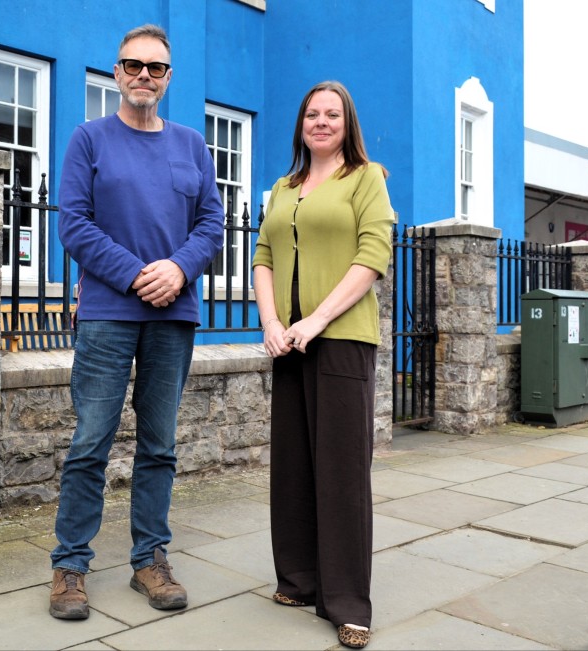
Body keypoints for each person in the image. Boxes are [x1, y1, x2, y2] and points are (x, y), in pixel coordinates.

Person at [49, 24, 224, 620]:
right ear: (116, 72)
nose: (143, 75)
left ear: (168, 78)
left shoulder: (192, 145)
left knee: (159, 445)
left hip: (174, 315)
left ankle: (150, 560)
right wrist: (135, 275)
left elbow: (212, 224)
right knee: (90, 443)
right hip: (107, 315)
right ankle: (70, 565)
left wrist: (178, 269)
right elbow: (73, 223)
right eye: (133, 65)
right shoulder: (89, 139)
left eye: (155, 67)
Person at [252, 81, 394, 649]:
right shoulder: (284, 188)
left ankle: (348, 603)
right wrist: (271, 323)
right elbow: (263, 256)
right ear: (301, 124)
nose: (321, 121)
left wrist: (316, 319)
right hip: (288, 343)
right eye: (312, 113)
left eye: (332, 114)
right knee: (293, 465)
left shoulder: (365, 178)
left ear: (347, 123)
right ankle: (298, 579)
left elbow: (373, 256)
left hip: (340, 339)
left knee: (341, 471)